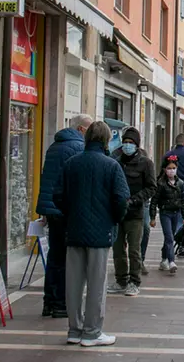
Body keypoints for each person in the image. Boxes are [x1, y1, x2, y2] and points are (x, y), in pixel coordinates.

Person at [54, 121, 130, 347]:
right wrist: (114, 219)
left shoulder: (71, 163)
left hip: (75, 230)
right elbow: (121, 199)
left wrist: (71, 214)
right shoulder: (111, 166)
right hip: (100, 232)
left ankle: (74, 329)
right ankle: (92, 332)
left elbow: (58, 195)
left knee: (74, 284)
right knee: (97, 284)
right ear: (106, 140)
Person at [35, 114, 92, 318]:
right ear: (81, 130)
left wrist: (43, 209)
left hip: (52, 209)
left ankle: (49, 301)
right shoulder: (77, 148)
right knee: (68, 259)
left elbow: (46, 179)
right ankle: (60, 304)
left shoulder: (55, 145)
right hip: (65, 209)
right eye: (89, 129)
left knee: (55, 256)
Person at [109, 127, 157, 297]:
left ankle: (134, 282)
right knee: (117, 249)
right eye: (125, 142)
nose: (127, 145)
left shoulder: (146, 163)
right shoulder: (116, 161)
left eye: (131, 143)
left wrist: (135, 199)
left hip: (135, 213)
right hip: (117, 213)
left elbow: (152, 187)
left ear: (137, 145)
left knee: (134, 250)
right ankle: (121, 280)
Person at [149, 156, 184, 274]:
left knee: (169, 238)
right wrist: (152, 217)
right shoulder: (160, 184)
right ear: (165, 170)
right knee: (170, 237)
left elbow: (183, 200)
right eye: (169, 168)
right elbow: (154, 201)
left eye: (174, 168)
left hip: (176, 213)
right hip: (165, 213)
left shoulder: (180, 183)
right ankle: (171, 261)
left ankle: (164, 259)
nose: (171, 170)